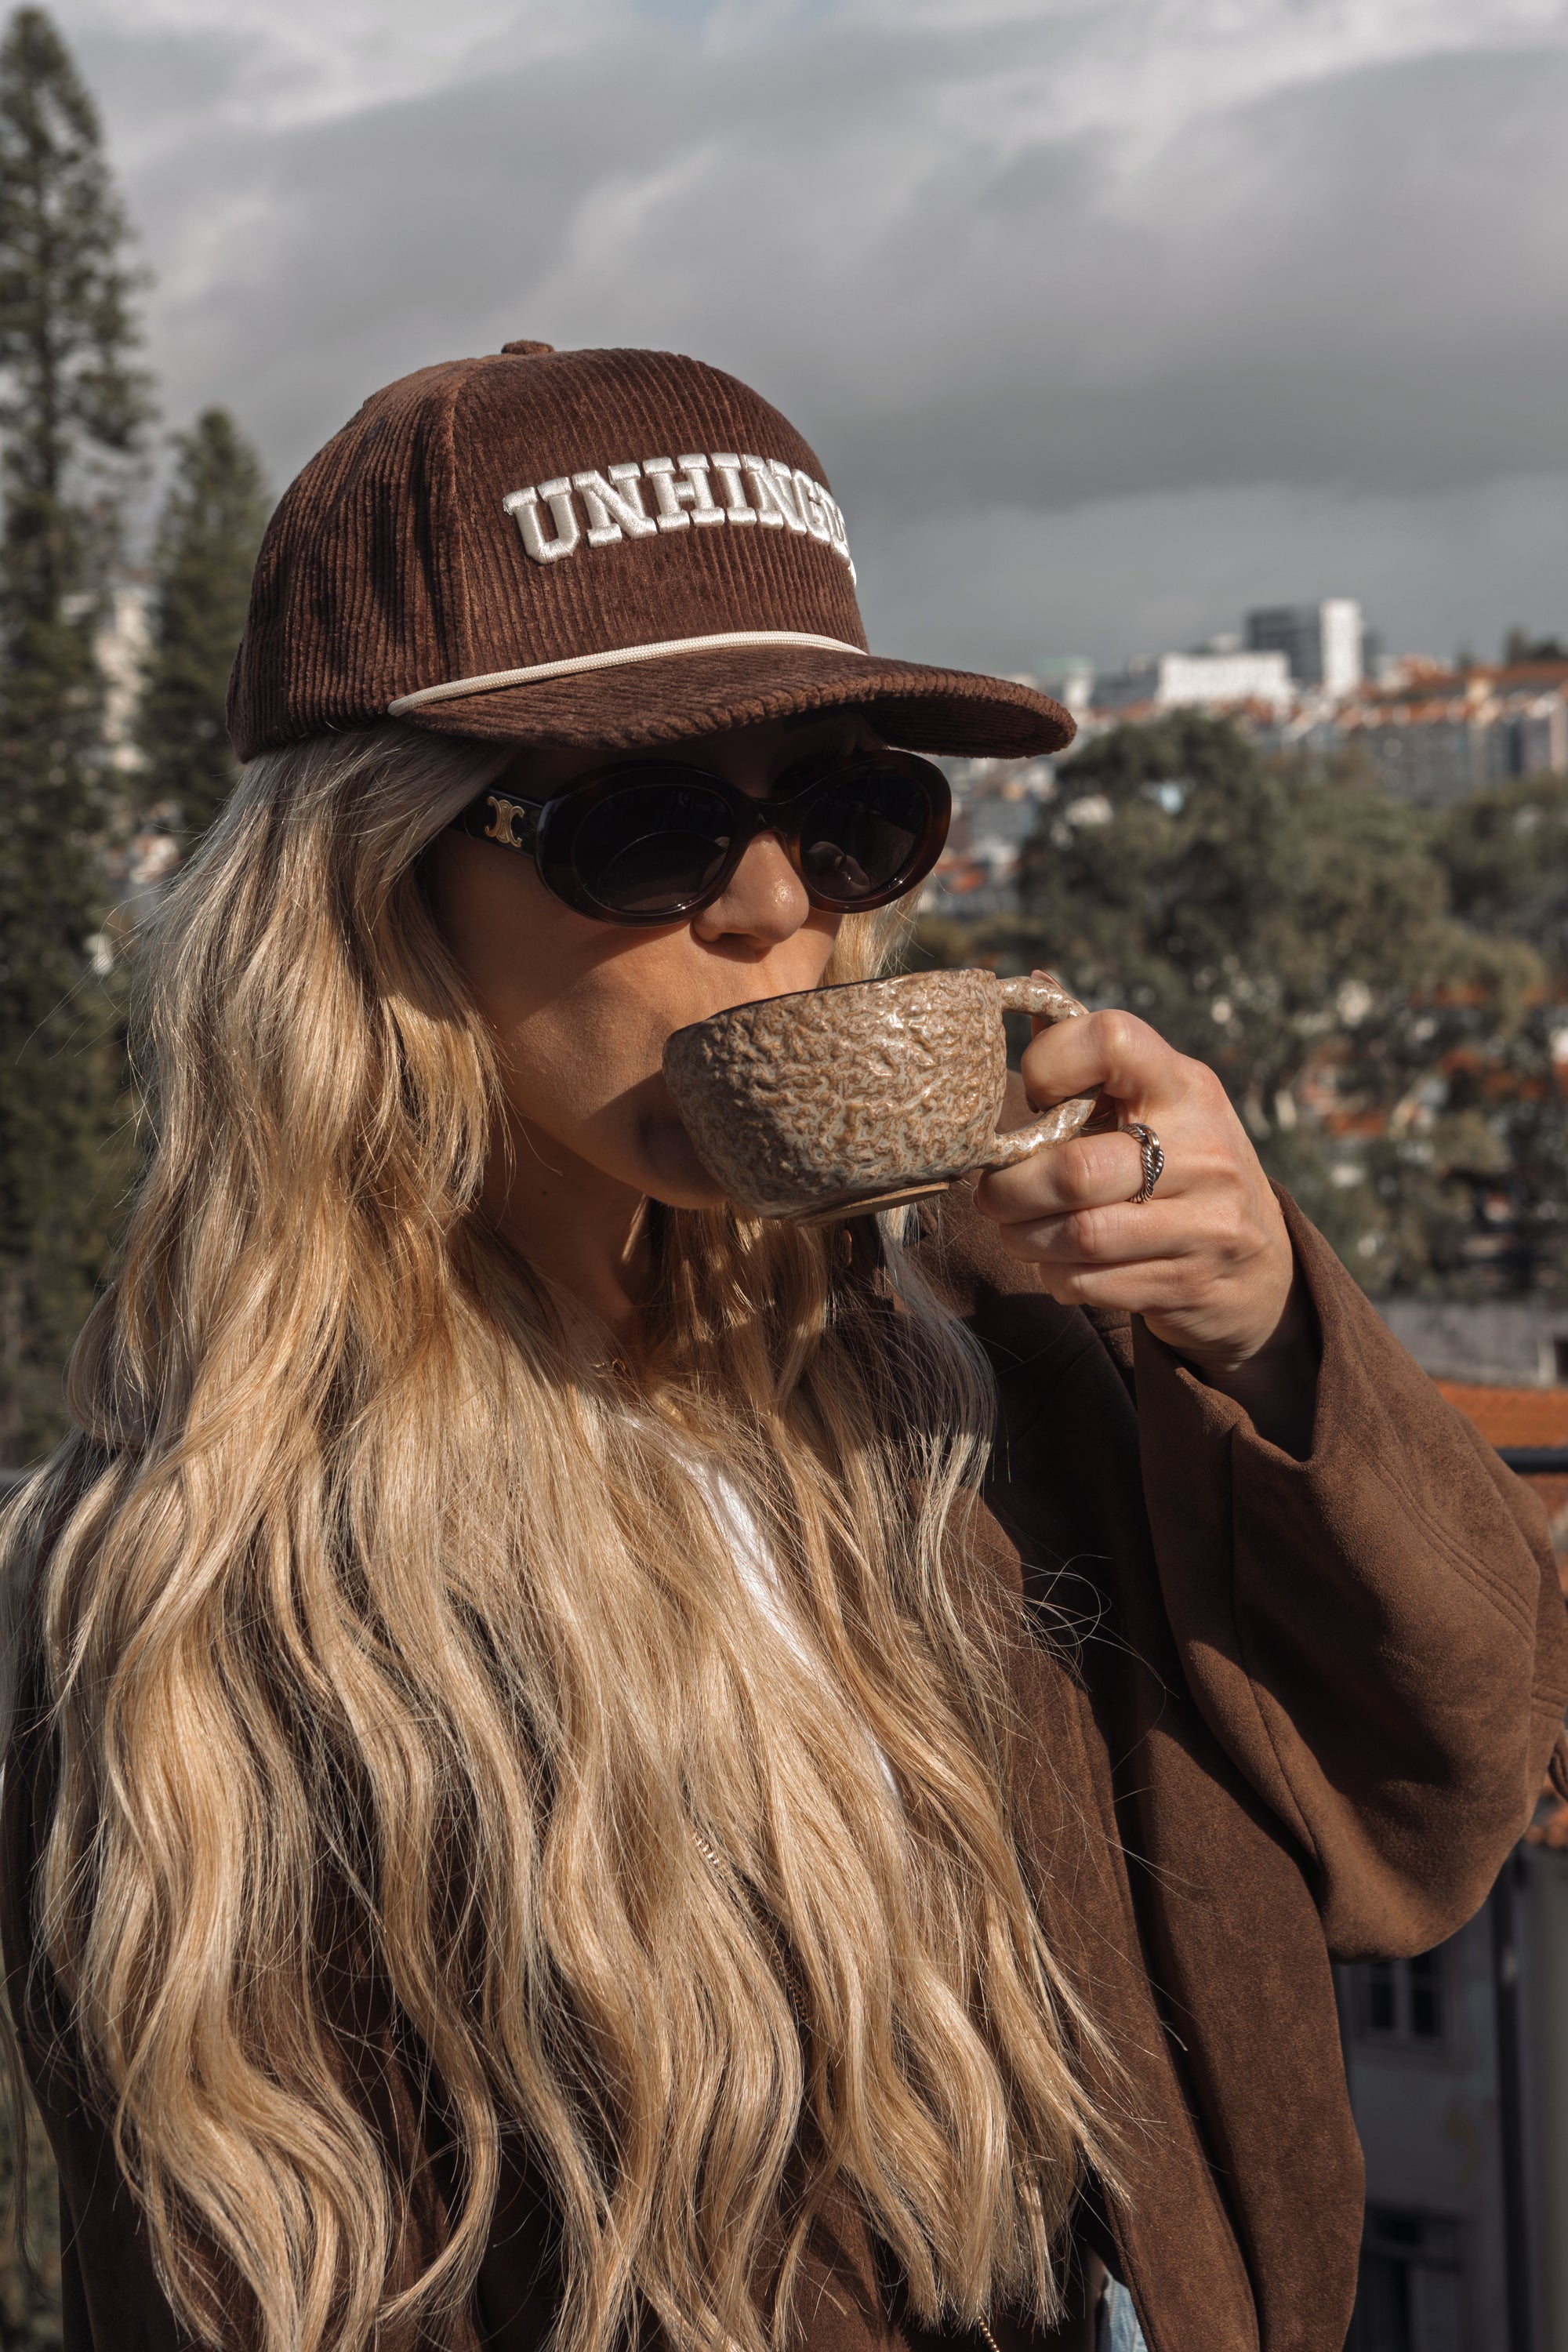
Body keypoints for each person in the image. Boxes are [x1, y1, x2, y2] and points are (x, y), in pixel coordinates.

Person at [2, 342, 1563, 2352]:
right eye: (639, 829)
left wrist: (1261, 1340)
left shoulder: (988, 1397)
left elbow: (1431, 1803)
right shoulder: (209, 1598)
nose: (773, 914)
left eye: (848, 818)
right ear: (373, 886)